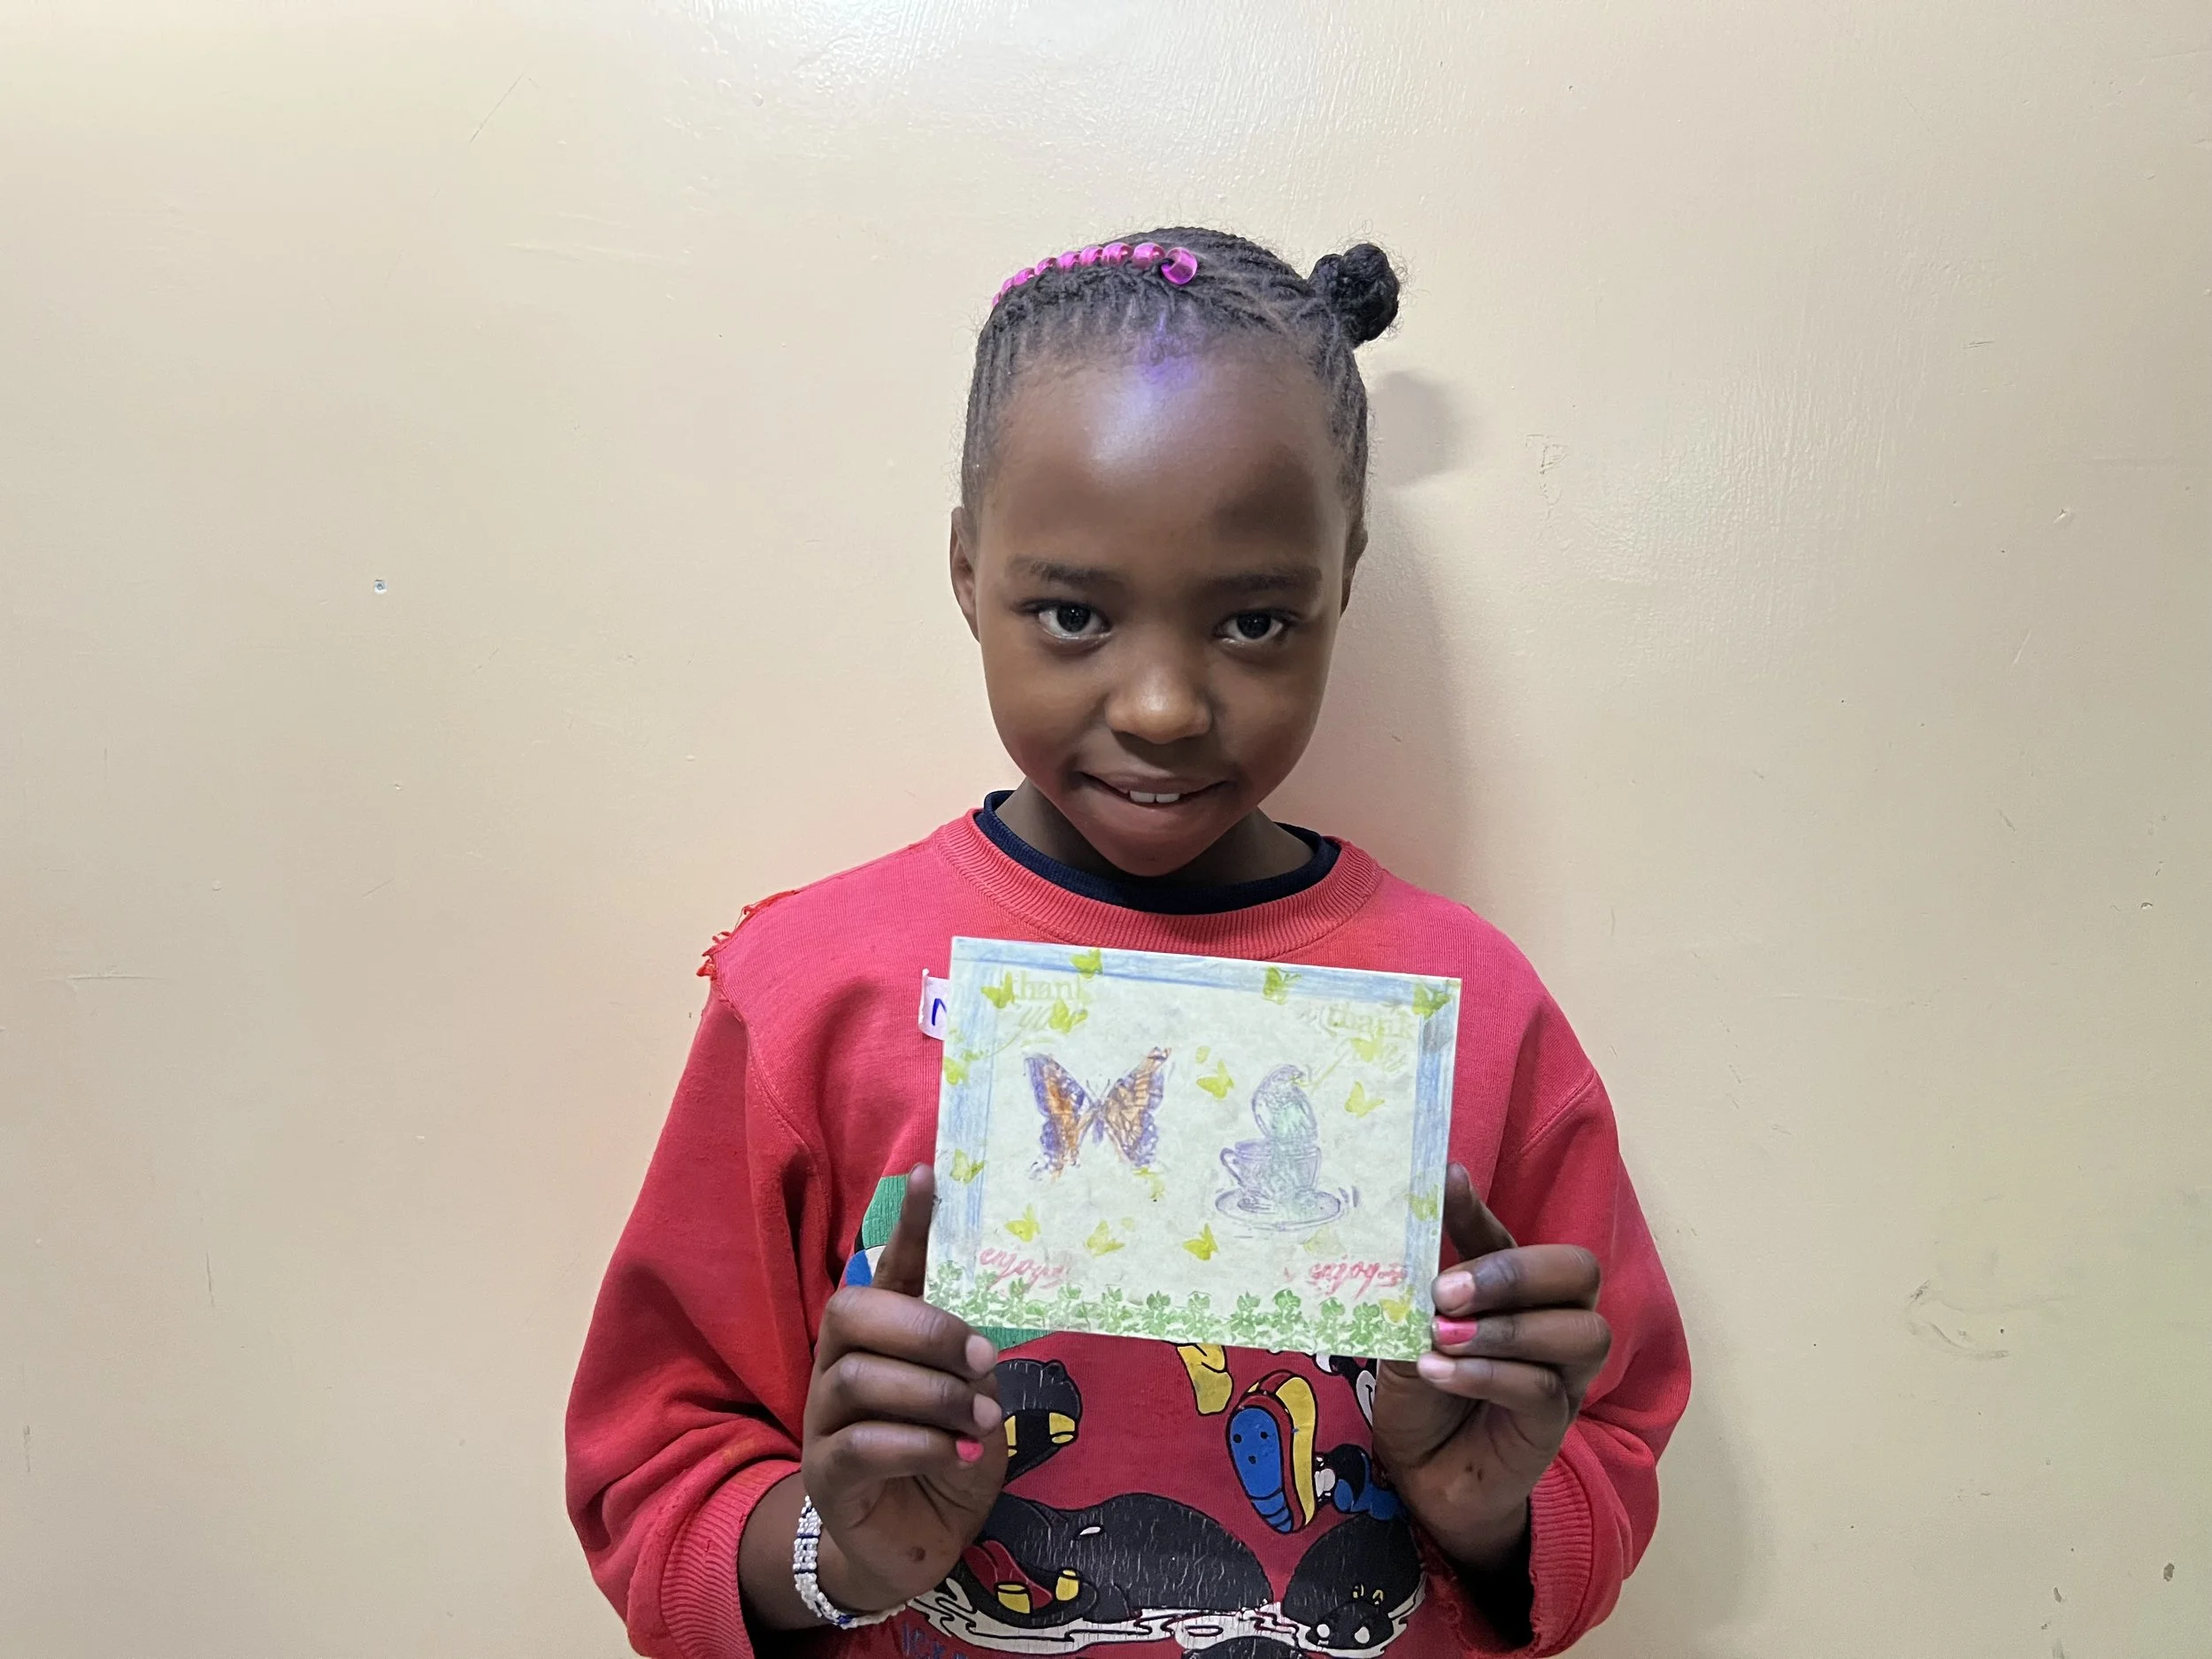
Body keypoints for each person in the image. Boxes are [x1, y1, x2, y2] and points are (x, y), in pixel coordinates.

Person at [566, 227, 1691, 1659]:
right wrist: (832, 1549)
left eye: (1256, 619)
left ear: (1342, 578)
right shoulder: (812, 993)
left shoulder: (1478, 1011)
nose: (1163, 704)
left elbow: (1613, 1441)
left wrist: (1487, 1504)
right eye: (1075, 612)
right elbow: (653, 1465)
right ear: (967, 571)